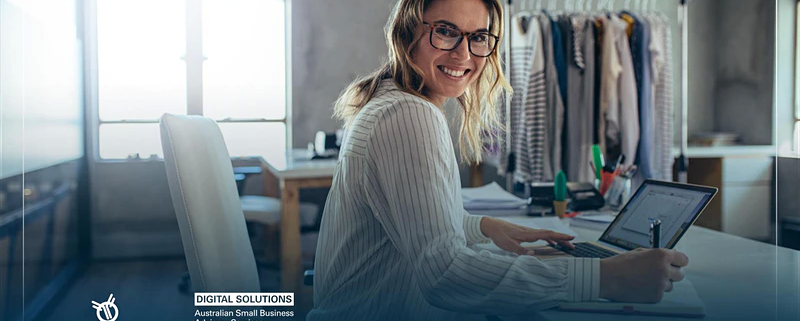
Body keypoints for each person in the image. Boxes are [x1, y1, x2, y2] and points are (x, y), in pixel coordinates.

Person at [308, 0, 689, 320]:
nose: (463, 53)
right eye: (445, 30)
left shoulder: (391, 102)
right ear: (407, 33)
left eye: (478, 37)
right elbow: (446, 275)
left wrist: (484, 226)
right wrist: (607, 277)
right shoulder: (409, 115)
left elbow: (406, 221)